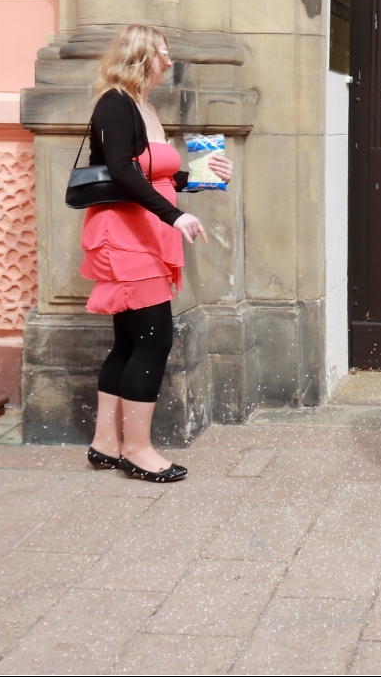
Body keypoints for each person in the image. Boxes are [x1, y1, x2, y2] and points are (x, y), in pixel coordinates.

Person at [82, 25, 233, 483]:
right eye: (162, 53)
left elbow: (158, 175)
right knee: (153, 339)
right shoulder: (115, 103)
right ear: (140, 56)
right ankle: (138, 451)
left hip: (146, 234)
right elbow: (121, 170)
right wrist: (175, 215)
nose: (169, 61)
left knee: (130, 342)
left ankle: (105, 444)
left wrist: (205, 177)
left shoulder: (144, 105)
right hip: (125, 236)